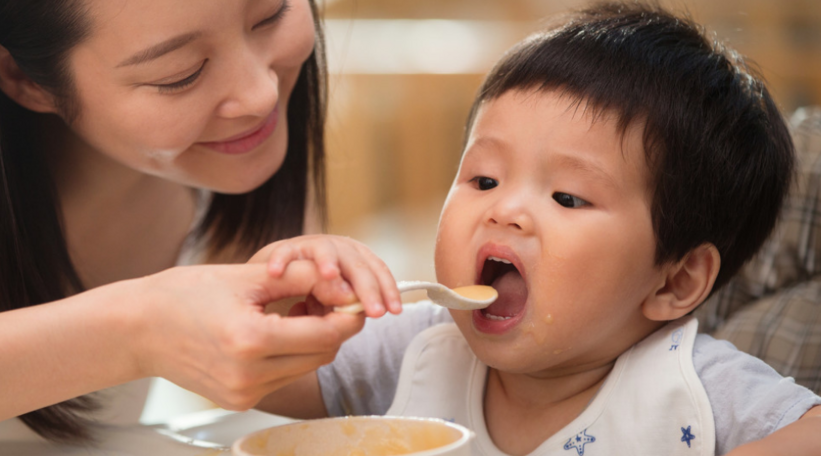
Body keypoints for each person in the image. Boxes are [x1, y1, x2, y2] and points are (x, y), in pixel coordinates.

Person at [0, 1, 404, 454]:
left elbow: (295, 381)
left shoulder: (230, 143)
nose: (259, 91)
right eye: (180, 74)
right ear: (23, 78)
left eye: (268, 14)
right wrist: (133, 328)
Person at [256, 3, 821, 455]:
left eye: (567, 197)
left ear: (675, 281)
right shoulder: (418, 348)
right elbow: (255, 374)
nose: (504, 211)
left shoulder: (695, 388)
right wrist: (284, 300)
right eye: (483, 179)